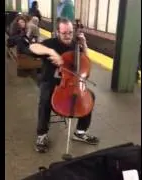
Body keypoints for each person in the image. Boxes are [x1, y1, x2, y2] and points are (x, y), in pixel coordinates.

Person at [26, 18, 99, 153]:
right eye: (64, 33)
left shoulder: (75, 45)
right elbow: (32, 47)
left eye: (70, 33)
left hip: (73, 83)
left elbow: (86, 62)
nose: (68, 36)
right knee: (45, 98)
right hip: (51, 81)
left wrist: (84, 43)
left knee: (90, 97)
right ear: (57, 32)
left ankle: (80, 132)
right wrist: (51, 52)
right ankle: (42, 135)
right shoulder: (51, 43)